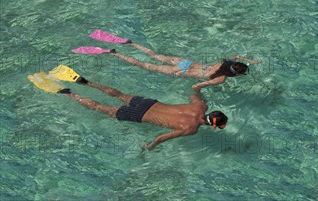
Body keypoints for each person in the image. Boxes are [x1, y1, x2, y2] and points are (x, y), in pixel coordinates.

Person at [29, 70, 228, 150]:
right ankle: (68, 94)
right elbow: (160, 138)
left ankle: (85, 81)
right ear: (213, 126)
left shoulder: (201, 106)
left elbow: (194, 93)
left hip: (148, 103)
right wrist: (149, 147)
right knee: (100, 107)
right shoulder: (190, 129)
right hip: (139, 115)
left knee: (118, 94)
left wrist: (202, 95)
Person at [104, 43, 261, 90]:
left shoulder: (224, 63)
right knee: (144, 65)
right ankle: (114, 53)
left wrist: (251, 61)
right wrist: (199, 96)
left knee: (155, 55)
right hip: (181, 71)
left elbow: (236, 56)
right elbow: (196, 85)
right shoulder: (221, 79)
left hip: (185, 63)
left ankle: (131, 43)